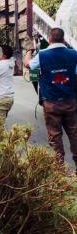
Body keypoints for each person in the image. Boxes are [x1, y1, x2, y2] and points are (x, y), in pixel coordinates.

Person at [24, 27, 77, 168]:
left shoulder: (42, 55)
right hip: (70, 100)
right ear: (63, 39)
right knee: (74, 132)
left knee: (55, 134)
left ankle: (58, 167)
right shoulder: (74, 54)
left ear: (49, 39)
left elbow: (28, 65)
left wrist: (29, 51)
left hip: (51, 102)